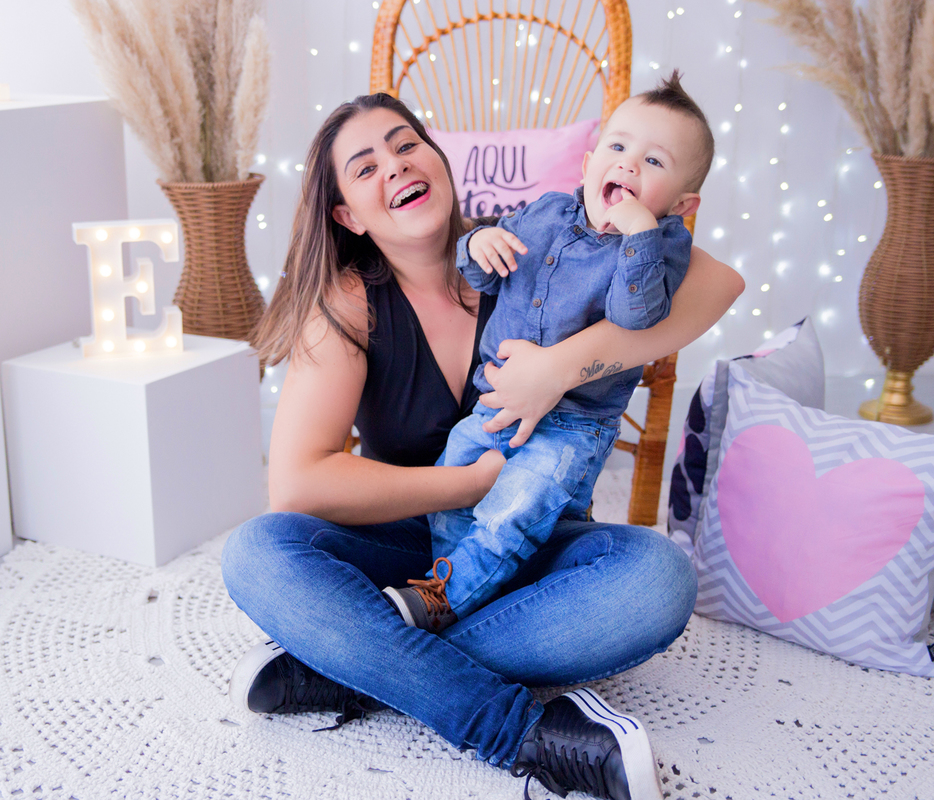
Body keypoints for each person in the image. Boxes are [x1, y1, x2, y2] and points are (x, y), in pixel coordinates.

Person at [221, 92, 744, 800]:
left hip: (535, 539)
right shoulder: (350, 301)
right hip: (408, 542)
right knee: (257, 551)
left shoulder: (525, 247)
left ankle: (352, 666)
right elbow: (298, 484)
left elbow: (720, 283)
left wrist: (557, 371)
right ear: (348, 216)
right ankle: (518, 731)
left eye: (406, 144)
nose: (396, 166)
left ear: (438, 159)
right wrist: (469, 485)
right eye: (366, 167)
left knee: (658, 579)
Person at [383, 72, 714, 634]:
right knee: (451, 495)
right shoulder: (545, 213)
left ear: (682, 204)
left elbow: (637, 317)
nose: (629, 166)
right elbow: (482, 275)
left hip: (573, 426)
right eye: (617, 147)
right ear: (587, 165)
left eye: (654, 161)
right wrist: (477, 243)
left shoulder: (664, 246)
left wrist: (638, 234)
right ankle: (447, 589)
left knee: (515, 510)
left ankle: (445, 603)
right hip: (493, 407)